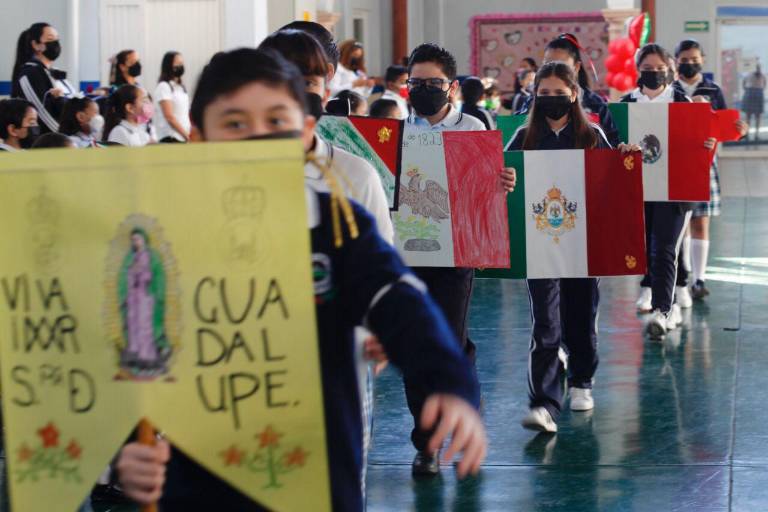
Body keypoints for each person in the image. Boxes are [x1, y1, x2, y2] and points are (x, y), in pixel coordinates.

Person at [111, 47, 487, 512]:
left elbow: (401, 300)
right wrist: (122, 450)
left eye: (275, 122)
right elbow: (128, 353)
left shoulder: (337, 226)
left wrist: (449, 379)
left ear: (305, 132)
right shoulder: (161, 239)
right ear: (198, 138)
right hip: (199, 480)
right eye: (234, 124)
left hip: (320, 473)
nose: (257, 139)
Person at [404, 42, 515, 475]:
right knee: (415, 348)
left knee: (451, 342)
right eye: (417, 83)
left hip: (456, 252)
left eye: (433, 83)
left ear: (450, 86)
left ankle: (468, 422)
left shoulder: (473, 125)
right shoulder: (397, 130)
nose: (424, 90)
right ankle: (427, 443)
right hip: (408, 252)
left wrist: (503, 180)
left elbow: (489, 183)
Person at [507, 62, 637, 432]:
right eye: (542, 93)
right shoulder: (523, 137)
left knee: (581, 315)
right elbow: (504, 179)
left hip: (583, 244)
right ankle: (545, 403)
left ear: (574, 93)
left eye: (557, 92)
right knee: (545, 322)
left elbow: (614, 183)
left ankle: (582, 379)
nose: (550, 99)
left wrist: (623, 158)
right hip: (540, 244)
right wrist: (506, 178)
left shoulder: (592, 135)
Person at [622, 43, 717, 339]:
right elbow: (610, 142)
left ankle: (664, 310)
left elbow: (700, 142)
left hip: (675, 188)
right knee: (644, 246)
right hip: (637, 189)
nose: (653, 74)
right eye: (647, 69)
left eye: (659, 69)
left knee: (665, 247)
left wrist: (706, 144)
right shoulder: (626, 104)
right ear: (638, 71)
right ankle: (656, 295)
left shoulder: (684, 104)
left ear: (670, 70)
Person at [673, 40, 749, 301]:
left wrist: (739, 129)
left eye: (694, 59)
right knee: (678, 226)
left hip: (705, 162)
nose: (689, 63)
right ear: (675, 62)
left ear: (702, 60)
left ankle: (699, 279)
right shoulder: (670, 90)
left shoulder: (713, 90)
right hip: (677, 165)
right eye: (684, 59)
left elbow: (726, 124)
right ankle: (680, 278)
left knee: (700, 222)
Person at [512, 34, 620, 148]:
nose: (553, 70)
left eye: (561, 65)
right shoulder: (531, 104)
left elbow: (611, 147)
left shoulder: (596, 105)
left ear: (576, 67)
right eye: (548, 64)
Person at [11, 22, 76, 133]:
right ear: (36, 45)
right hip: (50, 141)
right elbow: (41, 114)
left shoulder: (55, 72)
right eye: (50, 39)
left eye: (57, 39)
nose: (56, 43)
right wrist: (66, 137)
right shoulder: (30, 73)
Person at [153, 51, 190, 142]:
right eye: (178, 63)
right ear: (169, 65)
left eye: (182, 63)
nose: (181, 66)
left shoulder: (180, 87)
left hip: (182, 137)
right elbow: (169, 116)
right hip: (171, 137)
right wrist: (186, 136)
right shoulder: (164, 86)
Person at [741, 64, 765, 141]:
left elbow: (765, 84)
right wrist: (747, 89)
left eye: (759, 67)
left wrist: (760, 90)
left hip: (756, 92)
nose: (758, 69)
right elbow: (744, 82)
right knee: (748, 116)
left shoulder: (762, 75)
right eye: (757, 67)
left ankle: (756, 135)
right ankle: (747, 134)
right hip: (750, 92)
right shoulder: (749, 74)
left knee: (757, 116)